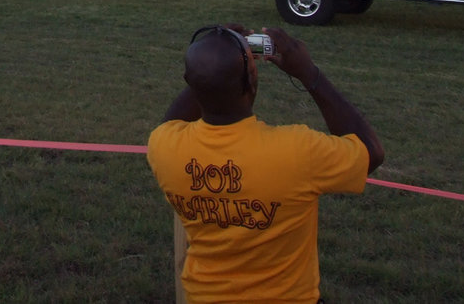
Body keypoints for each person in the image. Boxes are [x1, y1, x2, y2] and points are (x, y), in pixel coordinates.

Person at [147, 25, 383, 304]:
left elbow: (173, 119)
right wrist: (308, 72)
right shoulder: (298, 151)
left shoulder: (164, 147)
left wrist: (212, 63)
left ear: (189, 81)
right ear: (251, 80)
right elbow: (371, 153)